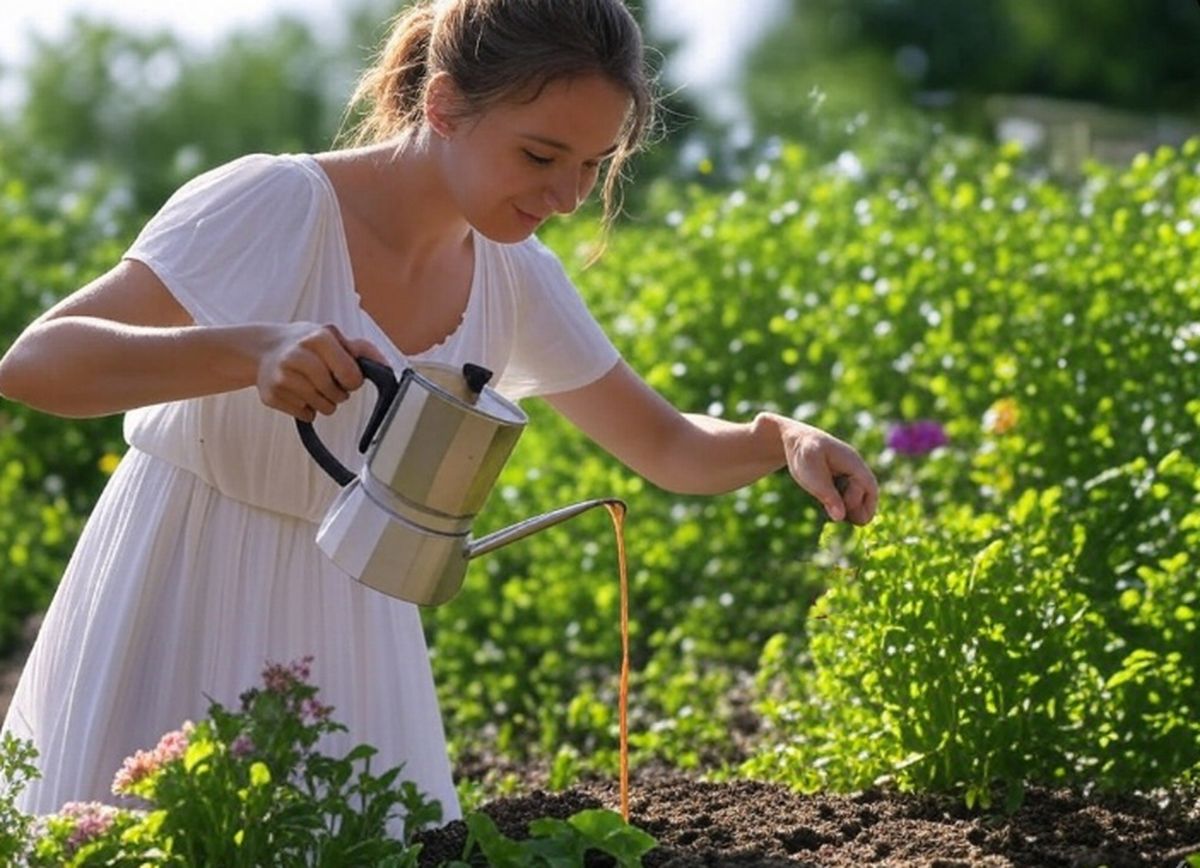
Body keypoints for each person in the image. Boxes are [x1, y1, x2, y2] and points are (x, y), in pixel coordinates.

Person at [0, 0, 878, 823]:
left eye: (592, 164)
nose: (569, 196)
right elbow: (35, 364)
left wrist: (779, 439)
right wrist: (248, 351)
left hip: (357, 633)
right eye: (541, 156)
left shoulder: (516, 275)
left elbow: (670, 446)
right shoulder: (276, 206)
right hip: (181, 587)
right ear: (445, 105)